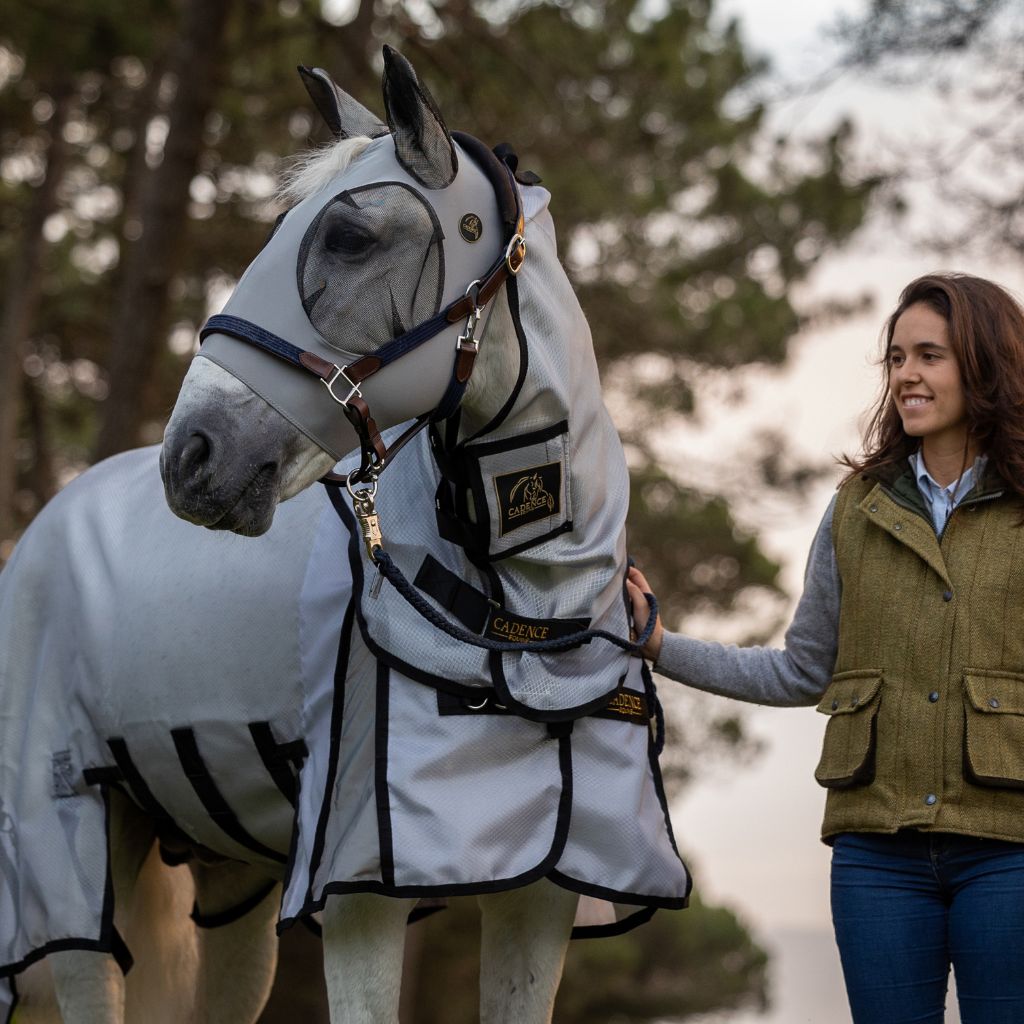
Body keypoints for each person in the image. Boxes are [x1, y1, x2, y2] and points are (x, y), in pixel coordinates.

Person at [626, 272, 1024, 1024]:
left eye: (930, 356)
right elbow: (802, 670)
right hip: (877, 858)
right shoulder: (855, 510)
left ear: (985, 365)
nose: (907, 374)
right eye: (897, 357)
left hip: (1010, 848)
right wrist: (657, 644)